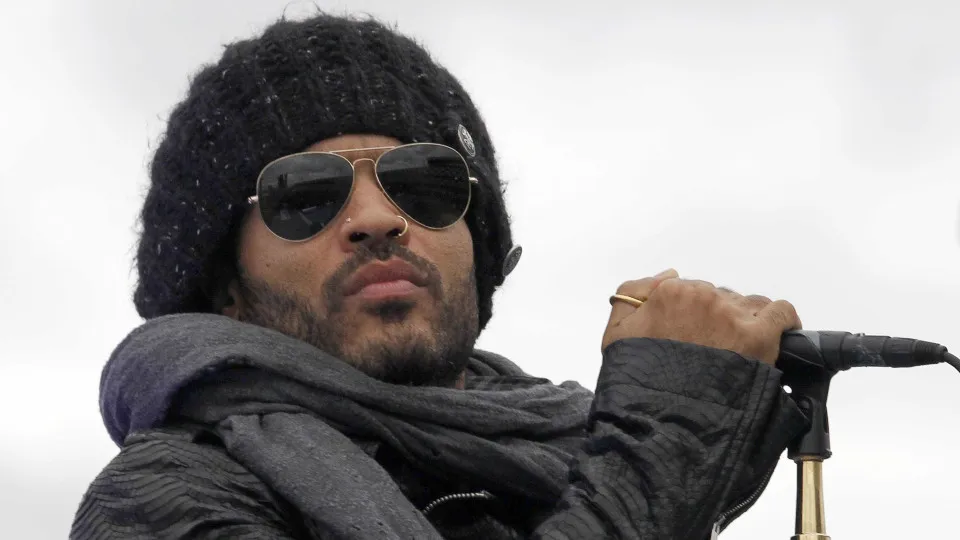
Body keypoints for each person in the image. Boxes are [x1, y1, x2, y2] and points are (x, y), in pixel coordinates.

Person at [70, 12, 809, 540]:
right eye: (304, 195)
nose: (376, 217)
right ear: (225, 288)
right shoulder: (161, 497)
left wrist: (691, 436)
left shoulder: (577, 455)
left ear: (478, 249)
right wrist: (671, 441)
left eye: (423, 182)